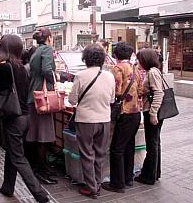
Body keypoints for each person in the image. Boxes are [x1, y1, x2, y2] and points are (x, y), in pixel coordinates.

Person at [0, 34, 49, 203]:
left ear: (4, 49)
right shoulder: (23, 68)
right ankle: (8, 187)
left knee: (18, 157)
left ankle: (40, 195)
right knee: (12, 152)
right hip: (25, 118)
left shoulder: (5, 68)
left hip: (13, 118)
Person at [68, 44, 115, 199]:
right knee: (100, 154)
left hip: (86, 121)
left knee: (87, 154)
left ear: (85, 59)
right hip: (105, 120)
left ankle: (91, 187)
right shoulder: (109, 76)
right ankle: (98, 183)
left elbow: (72, 100)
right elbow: (112, 99)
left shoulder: (81, 76)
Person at [102, 42, 143, 193]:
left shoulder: (117, 68)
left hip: (124, 113)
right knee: (129, 146)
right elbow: (140, 89)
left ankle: (117, 184)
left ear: (116, 55)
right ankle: (128, 179)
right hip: (136, 112)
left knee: (117, 148)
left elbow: (116, 91)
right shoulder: (135, 68)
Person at [26, 27, 58, 185]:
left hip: (34, 97)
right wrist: (55, 80)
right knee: (43, 137)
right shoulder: (47, 50)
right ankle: (41, 172)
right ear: (49, 38)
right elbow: (46, 70)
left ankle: (40, 169)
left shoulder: (36, 51)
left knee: (38, 137)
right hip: (42, 99)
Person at [135, 48, 164, 185]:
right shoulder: (154, 71)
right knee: (155, 142)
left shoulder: (152, 72)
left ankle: (148, 176)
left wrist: (153, 113)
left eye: (139, 59)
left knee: (152, 144)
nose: (137, 62)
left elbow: (159, 93)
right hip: (155, 111)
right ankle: (154, 173)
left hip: (153, 112)